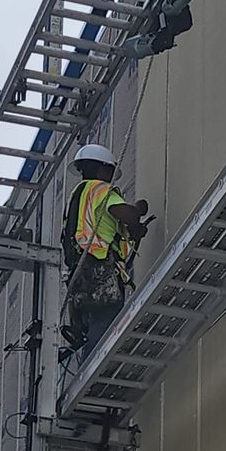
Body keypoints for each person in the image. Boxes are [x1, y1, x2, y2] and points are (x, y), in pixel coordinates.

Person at [60, 140, 149, 361]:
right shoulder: (101, 189)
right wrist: (138, 209)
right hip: (98, 269)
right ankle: (96, 366)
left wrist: (133, 233)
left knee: (92, 326)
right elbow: (126, 214)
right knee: (106, 320)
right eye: (110, 170)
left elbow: (105, 227)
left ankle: (89, 363)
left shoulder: (78, 195)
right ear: (103, 168)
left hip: (79, 273)